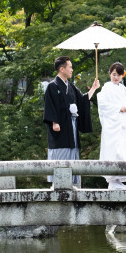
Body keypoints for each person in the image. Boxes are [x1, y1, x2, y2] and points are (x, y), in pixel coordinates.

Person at [43, 56, 100, 187]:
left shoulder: (71, 86)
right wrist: (54, 122)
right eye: (70, 67)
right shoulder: (52, 86)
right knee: (60, 152)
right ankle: (58, 182)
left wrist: (93, 88)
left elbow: (82, 101)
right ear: (61, 69)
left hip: (72, 125)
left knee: (72, 151)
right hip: (60, 127)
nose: (72, 70)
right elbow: (49, 106)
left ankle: (71, 183)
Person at [97, 62, 126, 189]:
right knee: (115, 151)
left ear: (122, 76)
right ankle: (112, 181)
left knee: (125, 151)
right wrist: (118, 108)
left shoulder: (124, 90)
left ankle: (119, 180)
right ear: (110, 74)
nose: (116, 77)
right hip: (113, 125)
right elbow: (103, 105)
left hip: (124, 125)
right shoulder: (106, 89)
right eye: (114, 74)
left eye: (119, 75)